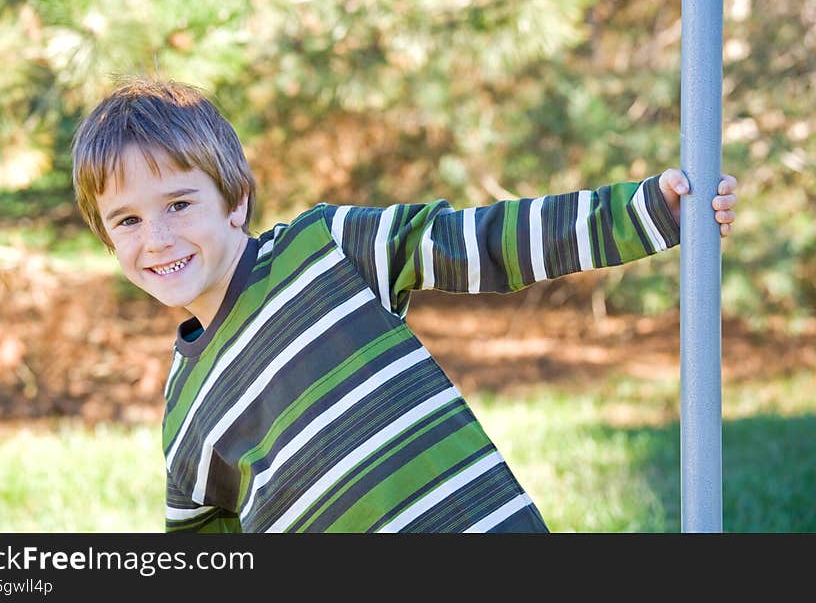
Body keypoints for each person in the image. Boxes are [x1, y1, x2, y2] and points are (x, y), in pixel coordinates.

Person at [71, 78, 738, 533]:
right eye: (126, 220)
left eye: (179, 204)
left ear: (235, 198)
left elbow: (483, 241)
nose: (156, 239)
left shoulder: (324, 248)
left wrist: (646, 212)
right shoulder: (187, 422)